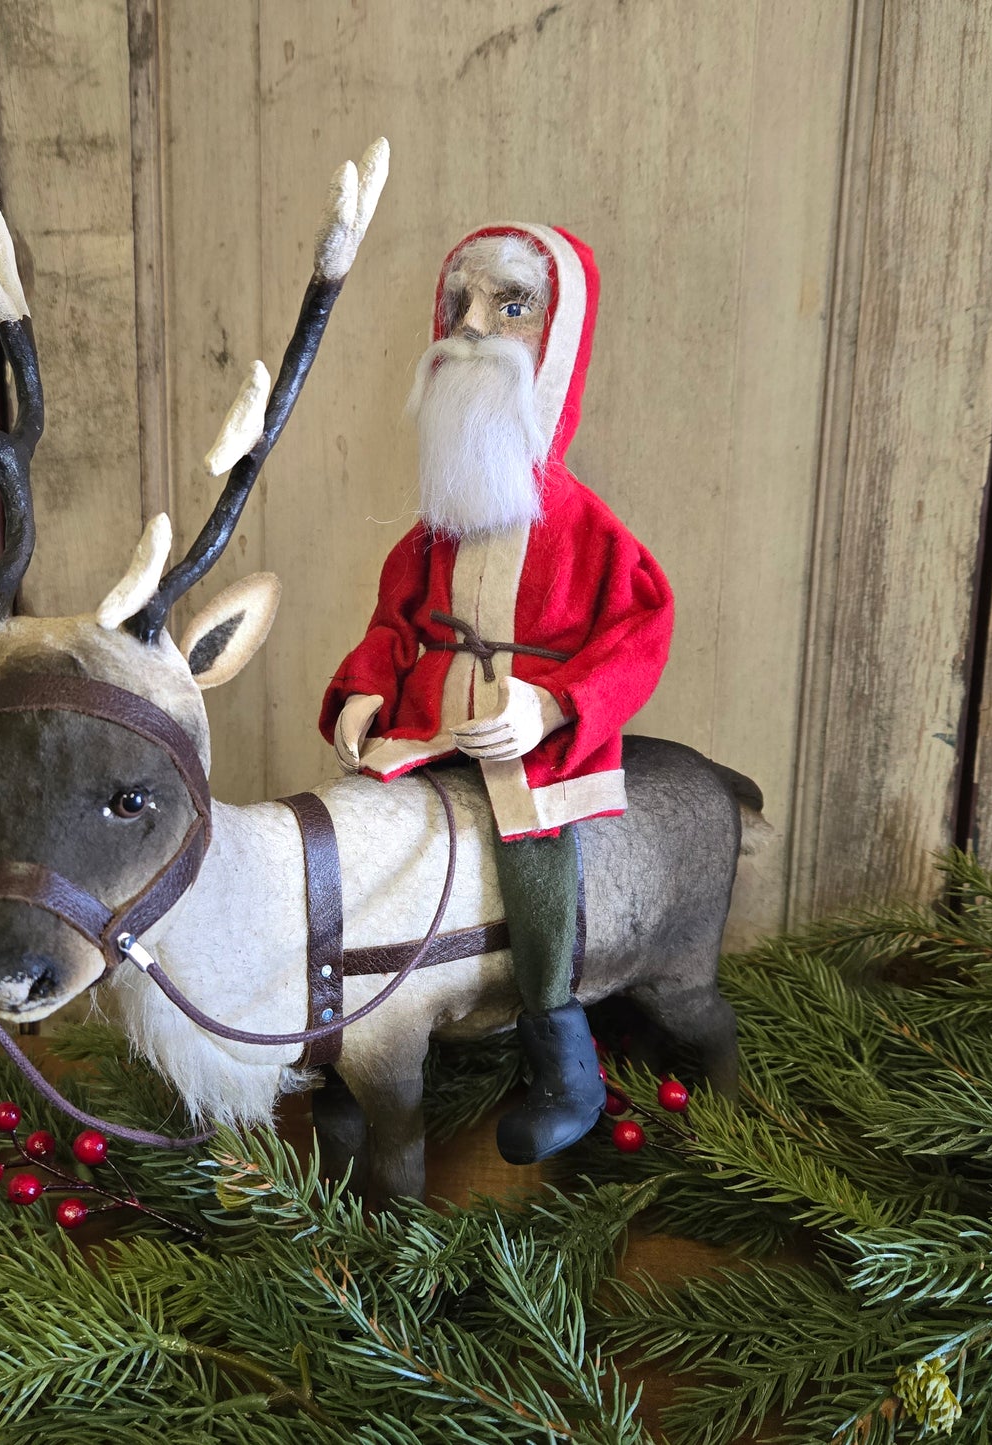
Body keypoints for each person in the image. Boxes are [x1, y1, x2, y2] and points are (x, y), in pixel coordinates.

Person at [319, 224, 674, 1164]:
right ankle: (359, 1054)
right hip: (427, 732)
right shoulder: (435, 529)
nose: (470, 329)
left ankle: (562, 1058)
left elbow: (639, 632)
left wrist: (550, 705)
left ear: (556, 340)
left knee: (533, 861)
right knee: (363, 843)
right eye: (458, 307)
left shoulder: (588, 531)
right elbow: (394, 626)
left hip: (536, 752)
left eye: (508, 307)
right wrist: (361, 692)